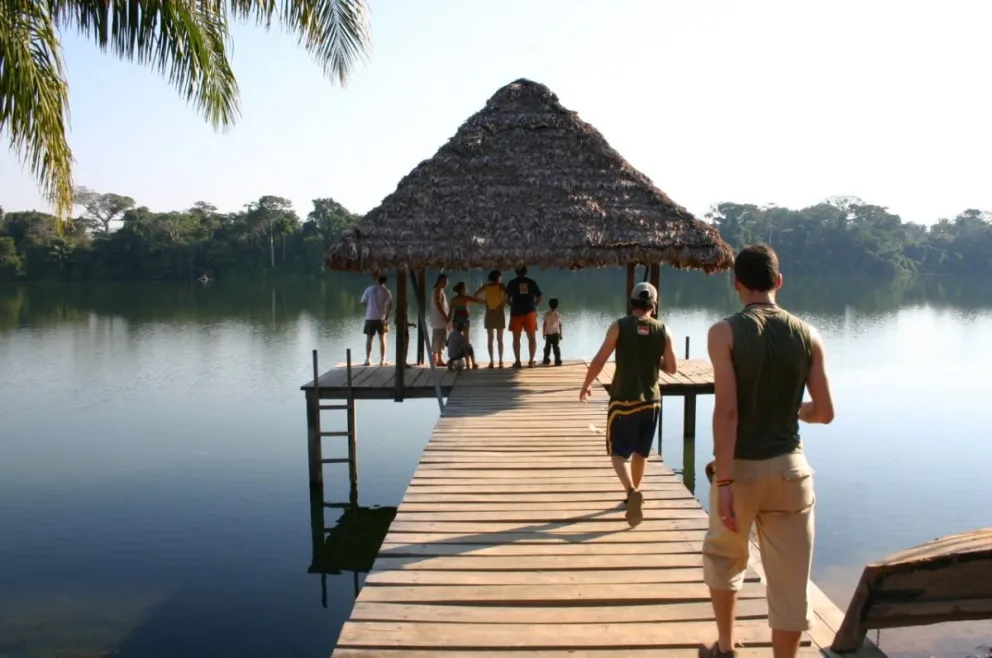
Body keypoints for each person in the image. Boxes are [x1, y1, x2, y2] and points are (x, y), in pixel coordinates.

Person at [699, 245, 835, 658]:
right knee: (791, 582)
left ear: (736, 283)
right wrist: (792, 408)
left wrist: (723, 481)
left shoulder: (723, 332)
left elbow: (727, 412)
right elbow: (825, 412)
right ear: (779, 281)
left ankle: (725, 646)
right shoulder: (809, 335)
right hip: (793, 472)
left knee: (725, 558)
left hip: (740, 471)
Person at [579, 281, 677, 527]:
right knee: (641, 452)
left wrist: (586, 384)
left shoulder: (619, 327)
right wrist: (655, 360)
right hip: (652, 401)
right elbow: (672, 368)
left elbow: (600, 359)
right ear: (653, 306)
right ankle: (632, 495)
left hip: (624, 400)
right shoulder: (664, 330)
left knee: (617, 453)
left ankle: (632, 492)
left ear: (631, 302)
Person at [505, 266, 542, 368]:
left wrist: (512, 305)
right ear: (526, 272)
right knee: (532, 338)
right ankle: (531, 361)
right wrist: (534, 305)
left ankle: (518, 361)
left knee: (516, 339)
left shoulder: (512, 283)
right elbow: (540, 298)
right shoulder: (532, 282)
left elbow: (506, 298)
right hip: (530, 312)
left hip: (516, 312)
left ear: (516, 271)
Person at [474, 270, 508, 368]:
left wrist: (484, 302)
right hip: (499, 312)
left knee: (490, 338)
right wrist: (502, 303)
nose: (501, 279)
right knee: (499, 338)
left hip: (490, 312)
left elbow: (475, 295)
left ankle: (492, 361)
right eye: (500, 277)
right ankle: (500, 361)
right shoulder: (501, 286)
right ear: (498, 277)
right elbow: (507, 295)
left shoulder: (486, 286)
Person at [360, 274, 393, 366]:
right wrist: (386, 317)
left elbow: (362, 302)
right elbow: (389, 305)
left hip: (370, 317)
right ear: (385, 282)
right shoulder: (386, 291)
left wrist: (369, 307)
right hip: (381, 318)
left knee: (369, 339)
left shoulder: (369, 289)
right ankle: (383, 360)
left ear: (377, 280)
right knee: (383, 339)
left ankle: (367, 359)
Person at [429, 274, 450, 367]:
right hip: (440, 320)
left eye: (446, 282)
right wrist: (445, 316)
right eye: (444, 282)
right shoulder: (438, 291)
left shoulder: (438, 291)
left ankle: (435, 358)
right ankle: (439, 360)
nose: (446, 284)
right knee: (440, 340)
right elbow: (438, 304)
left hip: (437, 321)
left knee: (436, 339)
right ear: (439, 282)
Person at [541, 298, 563, 366]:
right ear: (557, 305)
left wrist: (543, 333)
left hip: (548, 334)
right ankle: (557, 361)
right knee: (556, 348)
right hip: (556, 334)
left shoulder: (546, 314)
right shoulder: (558, 314)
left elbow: (544, 324)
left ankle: (546, 360)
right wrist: (561, 334)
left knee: (547, 348)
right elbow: (560, 324)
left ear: (549, 305)